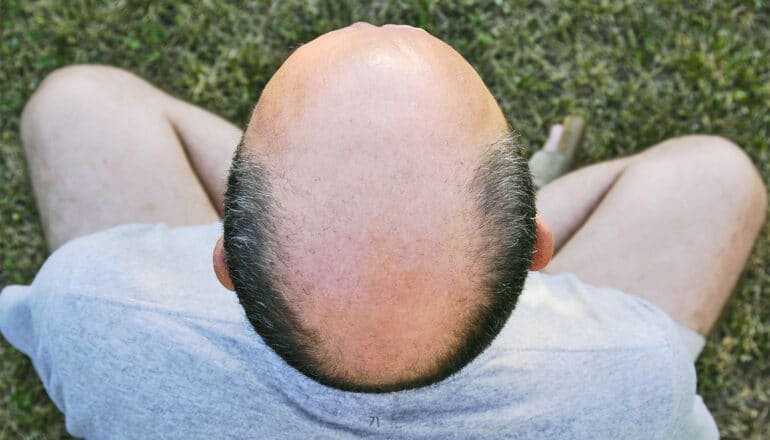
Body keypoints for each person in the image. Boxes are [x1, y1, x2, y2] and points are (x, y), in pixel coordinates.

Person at [0, 23, 765, 439]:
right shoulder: (630, 365)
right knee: (717, 176)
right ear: (538, 251)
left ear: (227, 261)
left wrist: (302, 204)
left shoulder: (97, 306)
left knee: (78, 103)